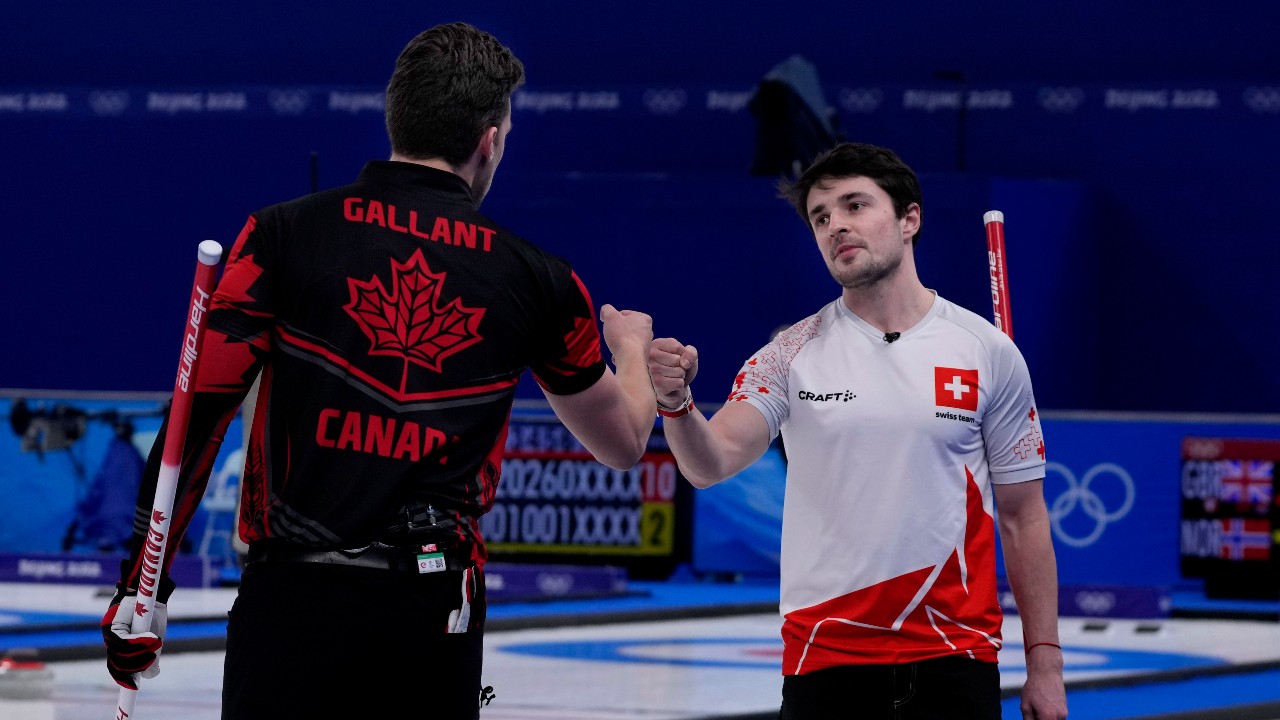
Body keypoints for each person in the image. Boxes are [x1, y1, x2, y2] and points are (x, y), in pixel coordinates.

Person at [102, 21, 657, 719]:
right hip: (430, 614)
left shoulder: (280, 233)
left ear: (397, 116)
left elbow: (199, 417)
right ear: (489, 141)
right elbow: (624, 441)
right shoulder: (539, 279)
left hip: (289, 609)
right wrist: (631, 348)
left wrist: (141, 587)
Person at [647, 142, 1067, 720]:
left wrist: (1045, 665)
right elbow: (708, 463)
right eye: (820, 217)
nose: (836, 226)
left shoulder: (988, 352)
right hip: (826, 662)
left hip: (956, 658)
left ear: (909, 219)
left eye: (855, 205)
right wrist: (676, 403)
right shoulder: (788, 354)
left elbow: (1024, 517)